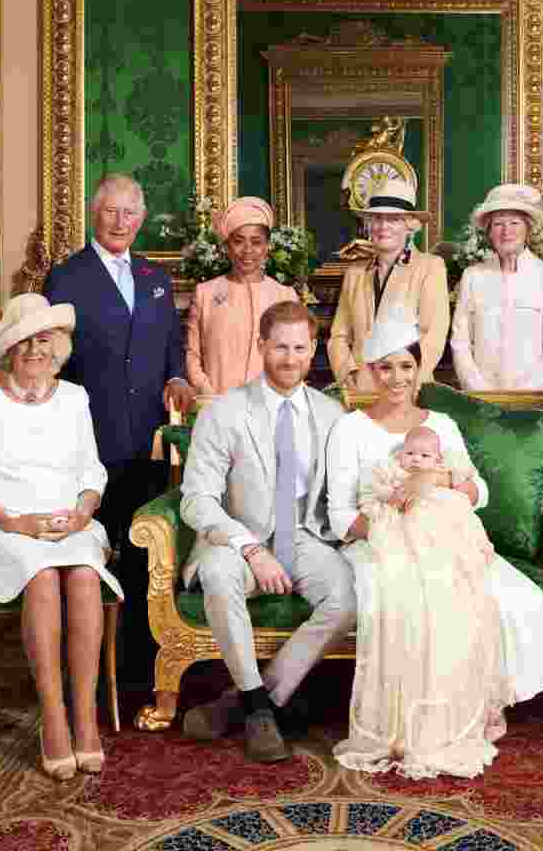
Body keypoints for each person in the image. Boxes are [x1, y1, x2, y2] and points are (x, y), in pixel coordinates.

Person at [327, 312, 543, 772]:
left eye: (405, 367)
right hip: (379, 540)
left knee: (500, 594)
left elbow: (479, 491)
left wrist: (441, 487)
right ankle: (401, 726)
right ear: (370, 371)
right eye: (385, 367)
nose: (396, 378)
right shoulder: (350, 429)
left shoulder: (441, 424)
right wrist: (396, 524)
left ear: (418, 370)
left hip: (448, 535)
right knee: (401, 602)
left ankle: (462, 711)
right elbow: (340, 516)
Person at [0, 294, 122, 780]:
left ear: (59, 347)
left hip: (69, 522)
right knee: (43, 575)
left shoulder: (75, 398)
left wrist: (82, 512)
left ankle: (85, 719)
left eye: (43, 341)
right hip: (0, 526)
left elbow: (92, 471)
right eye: (23, 342)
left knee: (85, 574)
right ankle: (53, 720)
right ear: (7, 350)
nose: (34, 351)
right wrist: (17, 524)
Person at [178, 300, 356, 763]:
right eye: (280, 347)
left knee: (346, 601)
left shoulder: (332, 414)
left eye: (300, 348)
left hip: (303, 535)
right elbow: (197, 500)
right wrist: (251, 548)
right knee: (218, 573)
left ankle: (253, 701)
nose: (290, 358)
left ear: (313, 349)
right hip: (238, 538)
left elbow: (345, 494)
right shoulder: (224, 412)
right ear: (261, 346)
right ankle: (260, 709)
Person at [42, 174, 193, 685]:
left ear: (141, 219)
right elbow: (51, 358)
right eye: (111, 211)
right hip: (91, 436)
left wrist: (176, 375)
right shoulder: (67, 276)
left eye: (130, 213)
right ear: (93, 212)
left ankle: (139, 662)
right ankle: (87, 663)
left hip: (147, 435)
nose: (120, 222)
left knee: (144, 550)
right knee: (93, 550)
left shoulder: (155, 275)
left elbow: (172, 341)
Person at [333, 421, 508, 778]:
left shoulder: (446, 447)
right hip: (396, 529)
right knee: (399, 594)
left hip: (442, 527)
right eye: (411, 454)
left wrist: (435, 480)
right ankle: (394, 727)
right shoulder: (375, 453)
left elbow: (473, 491)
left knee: (455, 590)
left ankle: (442, 721)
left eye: (424, 455)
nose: (416, 459)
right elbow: (362, 503)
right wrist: (395, 501)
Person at [327, 178, 449, 391]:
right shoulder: (354, 273)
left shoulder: (431, 267)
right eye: (376, 218)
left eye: (393, 219)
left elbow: (434, 336)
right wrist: (349, 374)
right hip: (360, 391)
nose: (383, 226)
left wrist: (404, 382)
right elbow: (339, 335)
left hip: (409, 391)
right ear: (368, 225)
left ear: (409, 226)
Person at [451, 183, 543, 391]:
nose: (506, 232)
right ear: (489, 230)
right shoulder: (473, 276)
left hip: (533, 399)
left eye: (514, 223)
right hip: (481, 399)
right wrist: (479, 391)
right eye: (498, 224)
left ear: (528, 229)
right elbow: (460, 342)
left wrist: (528, 395)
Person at [185, 196, 298, 395]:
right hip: (216, 406)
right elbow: (192, 355)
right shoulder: (205, 293)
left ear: (267, 247)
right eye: (238, 241)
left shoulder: (285, 296)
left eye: (256, 242)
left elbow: (295, 357)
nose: (247, 250)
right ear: (227, 246)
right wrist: (209, 396)